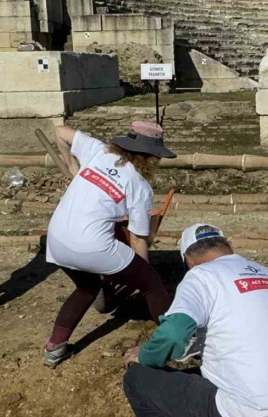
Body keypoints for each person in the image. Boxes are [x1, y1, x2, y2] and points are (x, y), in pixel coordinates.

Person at [122, 223, 268, 417]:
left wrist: (145, 355)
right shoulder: (267, 274)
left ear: (189, 260)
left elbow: (175, 332)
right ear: (229, 248)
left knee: (137, 379)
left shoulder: (199, 276)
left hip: (242, 411)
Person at [42, 121, 176, 367]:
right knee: (153, 285)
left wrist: (74, 167)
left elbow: (60, 131)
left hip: (56, 240)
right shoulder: (139, 185)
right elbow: (137, 238)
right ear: (150, 157)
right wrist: (143, 274)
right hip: (91, 245)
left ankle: (55, 348)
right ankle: (178, 340)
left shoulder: (99, 150)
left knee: (87, 287)